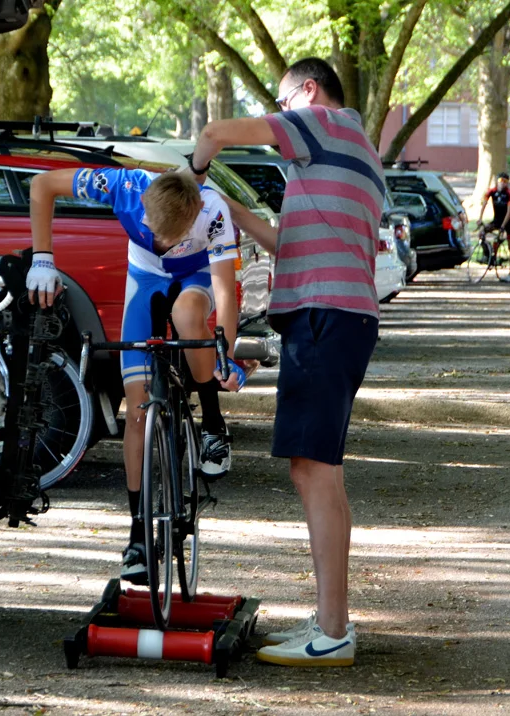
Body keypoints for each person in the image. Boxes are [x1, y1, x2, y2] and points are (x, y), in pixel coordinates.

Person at [189, 57, 384, 668]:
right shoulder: (355, 153)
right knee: (321, 469)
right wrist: (225, 206)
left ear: (307, 91)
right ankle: (331, 620)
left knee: (312, 471)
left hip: (324, 317)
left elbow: (216, 134)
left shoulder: (324, 122)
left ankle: (333, 633)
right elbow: (286, 242)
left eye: (282, 102)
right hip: (342, 317)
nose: (280, 118)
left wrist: (191, 175)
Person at [24, 167, 244, 584]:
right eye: (153, 231)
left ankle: (212, 423)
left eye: (169, 238)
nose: (160, 243)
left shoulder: (212, 211)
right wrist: (42, 257)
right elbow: (42, 184)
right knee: (138, 410)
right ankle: (138, 535)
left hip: (194, 278)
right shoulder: (124, 187)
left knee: (189, 323)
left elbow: (225, 294)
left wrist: (225, 358)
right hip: (143, 277)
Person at [476, 171, 510, 282]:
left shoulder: (509, 193)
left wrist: (503, 226)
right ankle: (488, 255)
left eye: (505, 181)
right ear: (497, 181)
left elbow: (509, 212)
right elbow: (484, 204)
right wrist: (480, 218)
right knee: (482, 232)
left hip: (507, 222)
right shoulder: (492, 191)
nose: (502, 183)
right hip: (496, 220)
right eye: (500, 181)